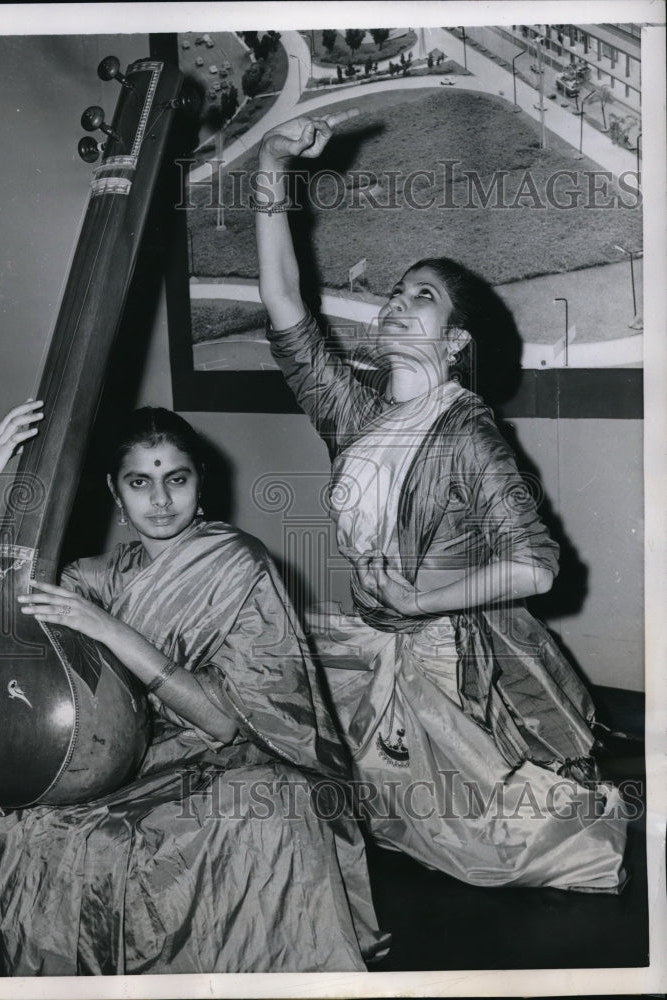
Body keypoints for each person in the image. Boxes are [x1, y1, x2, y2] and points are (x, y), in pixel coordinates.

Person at [252, 110, 628, 892]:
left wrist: (427, 597)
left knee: (496, 848)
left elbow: (535, 566)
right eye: (396, 290)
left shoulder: (466, 433)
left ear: (454, 340)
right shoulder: (354, 413)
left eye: (420, 297)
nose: (395, 301)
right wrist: (270, 164)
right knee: (347, 805)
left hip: (459, 663)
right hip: (379, 645)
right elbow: (285, 300)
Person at [0, 400, 389, 975]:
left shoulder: (237, 564)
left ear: (199, 484)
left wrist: (108, 629)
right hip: (132, 750)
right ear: (115, 491)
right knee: (19, 819)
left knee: (214, 823)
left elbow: (226, 723)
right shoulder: (97, 576)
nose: (159, 499)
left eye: (176, 479)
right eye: (140, 482)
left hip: (232, 755)